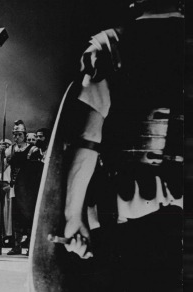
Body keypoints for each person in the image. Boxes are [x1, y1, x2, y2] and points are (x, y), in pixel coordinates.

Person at [62, 1, 183, 291]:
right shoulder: (109, 46)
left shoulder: (109, 46)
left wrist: (73, 216)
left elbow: (88, 141)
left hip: (129, 211)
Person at [5, 120, 39, 255]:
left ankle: (30, 246)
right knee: (16, 217)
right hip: (15, 187)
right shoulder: (11, 149)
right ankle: (17, 245)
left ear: (24, 135)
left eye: (19, 134)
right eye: (14, 134)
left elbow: (36, 170)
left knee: (29, 216)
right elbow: (6, 166)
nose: (16, 137)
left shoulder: (33, 150)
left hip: (28, 189)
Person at [0, 139, 14, 247]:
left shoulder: (12, 161)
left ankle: (8, 237)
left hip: (9, 188)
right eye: (1, 145)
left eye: (6, 145)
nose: (3, 148)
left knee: (8, 214)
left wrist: (9, 186)